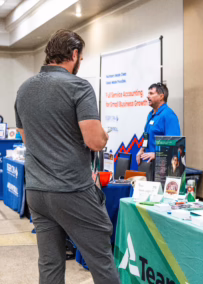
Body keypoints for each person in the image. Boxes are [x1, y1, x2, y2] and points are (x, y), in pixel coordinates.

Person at [14, 30, 120, 284]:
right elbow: (94, 141)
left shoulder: (24, 89)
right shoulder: (78, 86)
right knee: (101, 261)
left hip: (37, 191)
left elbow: (27, 139)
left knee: (50, 264)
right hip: (72, 189)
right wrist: (105, 135)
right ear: (74, 55)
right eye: (80, 58)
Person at [136, 83, 180, 166]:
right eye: (148, 93)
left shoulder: (169, 115)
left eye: (151, 94)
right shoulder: (151, 114)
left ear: (161, 96)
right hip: (149, 165)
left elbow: (175, 145)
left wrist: (156, 155)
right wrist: (142, 149)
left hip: (163, 166)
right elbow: (147, 136)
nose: (148, 96)